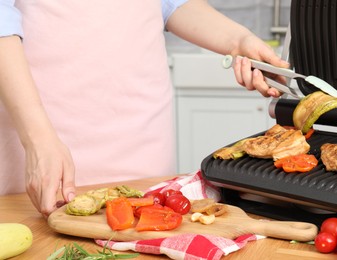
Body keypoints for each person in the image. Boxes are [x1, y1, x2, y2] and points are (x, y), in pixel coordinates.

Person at [0, 0, 289, 217]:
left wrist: (239, 41)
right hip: (47, 146)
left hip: (145, 149)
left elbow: (171, 3)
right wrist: (37, 139)